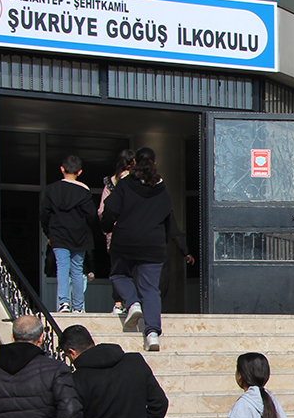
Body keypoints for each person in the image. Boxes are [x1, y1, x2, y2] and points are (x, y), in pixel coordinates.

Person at [100, 147, 195, 352]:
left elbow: (110, 209)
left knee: (119, 274)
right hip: (153, 244)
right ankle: (152, 334)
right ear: (154, 163)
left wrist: (106, 227)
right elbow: (168, 217)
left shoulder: (126, 184)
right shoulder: (161, 188)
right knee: (151, 289)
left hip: (125, 241)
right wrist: (182, 247)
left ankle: (132, 303)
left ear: (134, 162)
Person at [40, 154, 97, 314]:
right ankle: (78, 306)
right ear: (80, 172)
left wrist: (48, 233)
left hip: (58, 234)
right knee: (77, 270)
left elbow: (44, 213)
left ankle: (63, 303)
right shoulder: (84, 191)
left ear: (62, 169)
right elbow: (91, 215)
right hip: (79, 236)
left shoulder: (51, 189)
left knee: (62, 267)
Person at [100, 149, 135, 313]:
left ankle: (118, 303)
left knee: (118, 270)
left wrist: (107, 228)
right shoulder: (138, 182)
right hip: (136, 233)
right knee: (136, 268)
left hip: (115, 234)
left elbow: (102, 210)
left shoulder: (111, 182)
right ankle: (134, 302)